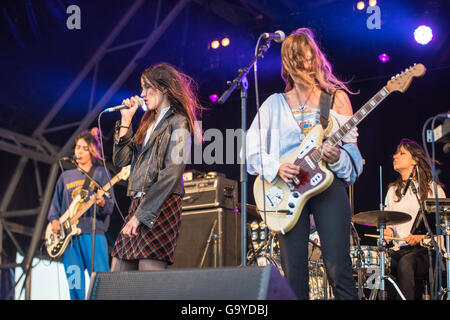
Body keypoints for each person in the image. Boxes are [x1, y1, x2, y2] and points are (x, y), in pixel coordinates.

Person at [246, 28, 363, 300]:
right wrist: (276, 167)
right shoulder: (274, 104)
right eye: (295, 59)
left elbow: (354, 156)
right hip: (287, 192)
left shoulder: (334, 98)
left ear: (315, 59)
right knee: (293, 273)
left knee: (339, 269)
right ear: (286, 64)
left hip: (327, 187)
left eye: (307, 58)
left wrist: (339, 157)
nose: (302, 64)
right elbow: (249, 151)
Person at [110, 62, 202, 271]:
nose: (142, 93)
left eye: (147, 87)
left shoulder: (179, 122)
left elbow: (172, 173)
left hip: (161, 203)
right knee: (117, 275)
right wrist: (126, 121)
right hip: (139, 202)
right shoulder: (147, 122)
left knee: (148, 274)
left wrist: (141, 215)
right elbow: (121, 160)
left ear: (163, 88)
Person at [48, 128, 115, 300]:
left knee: (101, 282)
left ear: (92, 152)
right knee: (74, 284)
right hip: (69, 238)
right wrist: (54, 221)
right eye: (78, 147)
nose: (79, 151)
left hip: (93, 234)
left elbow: (110, 205)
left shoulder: (100, 173)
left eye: (85, 148)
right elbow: (55, 206)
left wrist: (101, 202)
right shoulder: (65, 176)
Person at [384, 138, 446, 300]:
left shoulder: (433, 189)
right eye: (396, 153)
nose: (395, 156)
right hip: (401, 249)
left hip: (427, 251)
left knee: (406, 263)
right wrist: (388, 231)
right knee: (382, 264)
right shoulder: (393, 191)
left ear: (415, 160)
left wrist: (422, 236)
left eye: (402, 153)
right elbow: (389, 222)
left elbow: (443, 226)